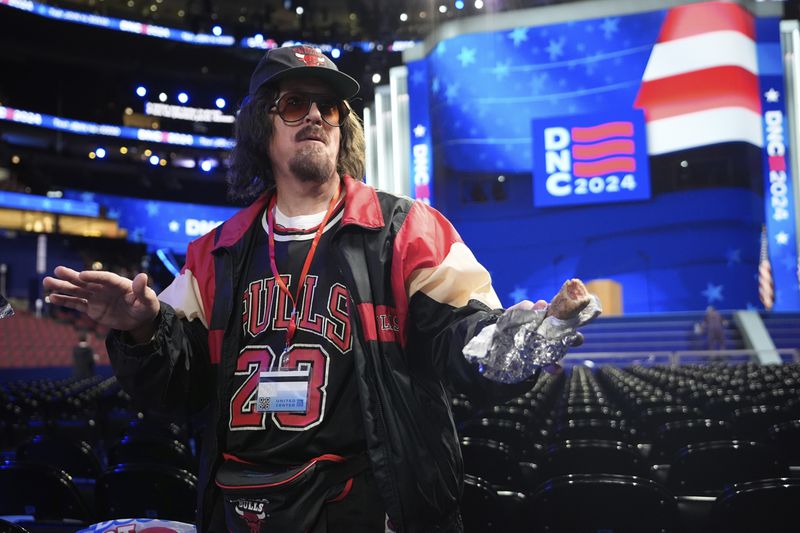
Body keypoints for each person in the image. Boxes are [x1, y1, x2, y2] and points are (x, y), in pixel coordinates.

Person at [44, 45, 565, 532]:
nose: (316, 116)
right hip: (244, 509)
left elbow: (460, 335)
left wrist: (510, 341)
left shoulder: (408, 229)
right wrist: (141, 330)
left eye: (330, 108)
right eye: (294, 104)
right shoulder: (214, 253)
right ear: (260, 128)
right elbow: (178, 388)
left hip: (372, 508)